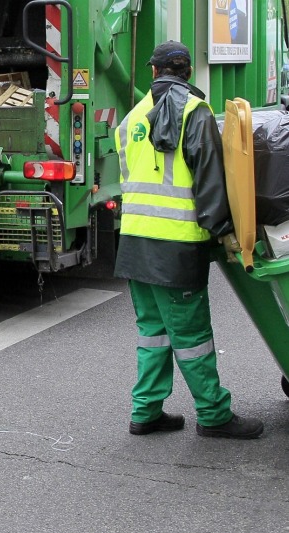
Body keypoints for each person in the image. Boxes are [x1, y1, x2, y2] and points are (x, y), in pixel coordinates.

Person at [115, 41, 263, 440]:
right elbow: (210, 180)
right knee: (193, 336)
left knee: (152, 332)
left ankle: (145, 412)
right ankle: (214, 416)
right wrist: (226, 233)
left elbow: (131, 180)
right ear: (187, 72)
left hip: (134, 241)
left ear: (153, 72)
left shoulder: (130, 119)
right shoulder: (195, 113)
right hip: (175, 247)